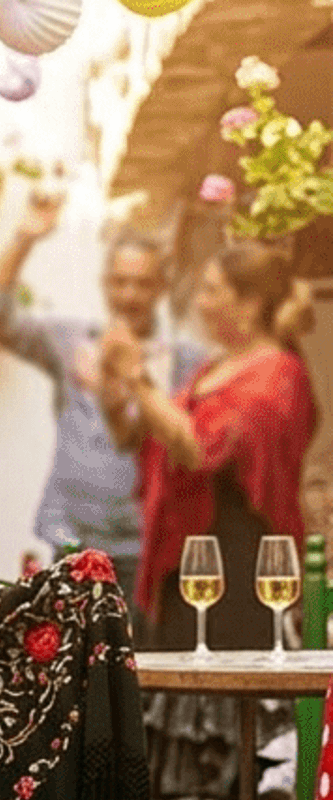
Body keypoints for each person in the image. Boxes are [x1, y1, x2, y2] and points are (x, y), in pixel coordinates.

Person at [0, 191, 201, 602]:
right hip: (70, 541)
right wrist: (26, 236)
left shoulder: (187, 361)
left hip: (149, 549)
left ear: (162, 288)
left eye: (143, 284)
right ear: (105, 284)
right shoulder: (71, 342)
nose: (130, 295)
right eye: (120, 282)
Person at [104, 241, 316, 650]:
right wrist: (115, 390)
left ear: (250, 304)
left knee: (223, 698)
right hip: (186, 559)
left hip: (239, 565)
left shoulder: (277, 373)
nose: (199, 302)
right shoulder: (214, 368)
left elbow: (200, 449)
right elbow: (145, 439)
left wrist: (137, 378)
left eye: (211, 290)